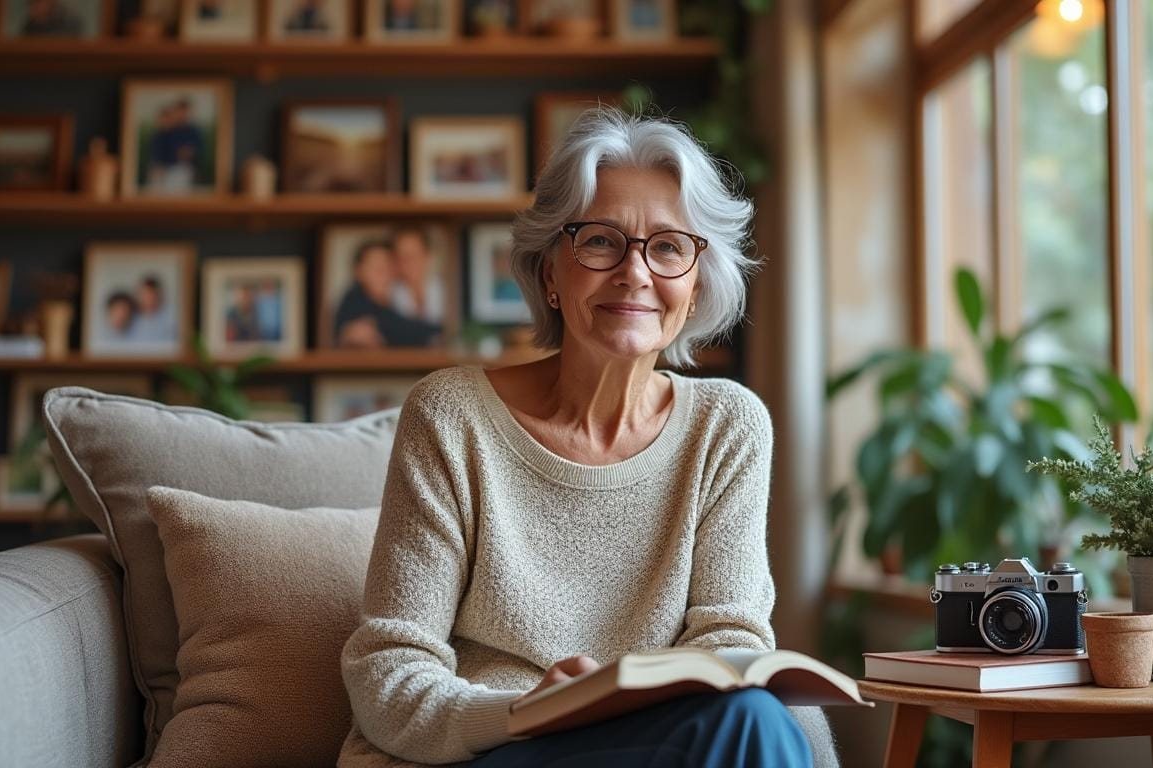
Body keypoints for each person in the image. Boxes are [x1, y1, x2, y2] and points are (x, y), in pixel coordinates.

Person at [338, 108, 837, 767]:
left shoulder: (728, 427)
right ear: (550, 273)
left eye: (667, 247)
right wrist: (525, 712)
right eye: (601, 241)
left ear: (694, 286)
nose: (635, 273)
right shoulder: (451, 416)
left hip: (667, 743)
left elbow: (730, 640)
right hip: (491, 747)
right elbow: (390, 668)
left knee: (752, 719)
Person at [334, 241, 441, 348]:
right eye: (376, 267)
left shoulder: (394, 299)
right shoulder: (354, 302)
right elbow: (403, 330)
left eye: (387, 266)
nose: (384, 274)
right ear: (359, 272)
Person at [389, 227, 444, 326]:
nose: (408, 262)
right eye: (401, 256)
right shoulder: (389, 295)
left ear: (428, 256)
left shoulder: (448, 291)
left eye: (414, 255)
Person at [148, 98, 203, 194]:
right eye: (180, 111)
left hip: (182, 170)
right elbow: (159, 152)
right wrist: (158, 165)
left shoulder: (193, 131)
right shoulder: (166, 131)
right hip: (163, 170)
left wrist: (189, 152)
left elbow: (197, 149)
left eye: (185, 112)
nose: (182, 114)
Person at [128, 276, 176, 344]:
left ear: (158, 295)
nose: (146, 299)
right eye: (143, 294)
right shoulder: (131, 317)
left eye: (150, 294)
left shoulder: (171, 316)